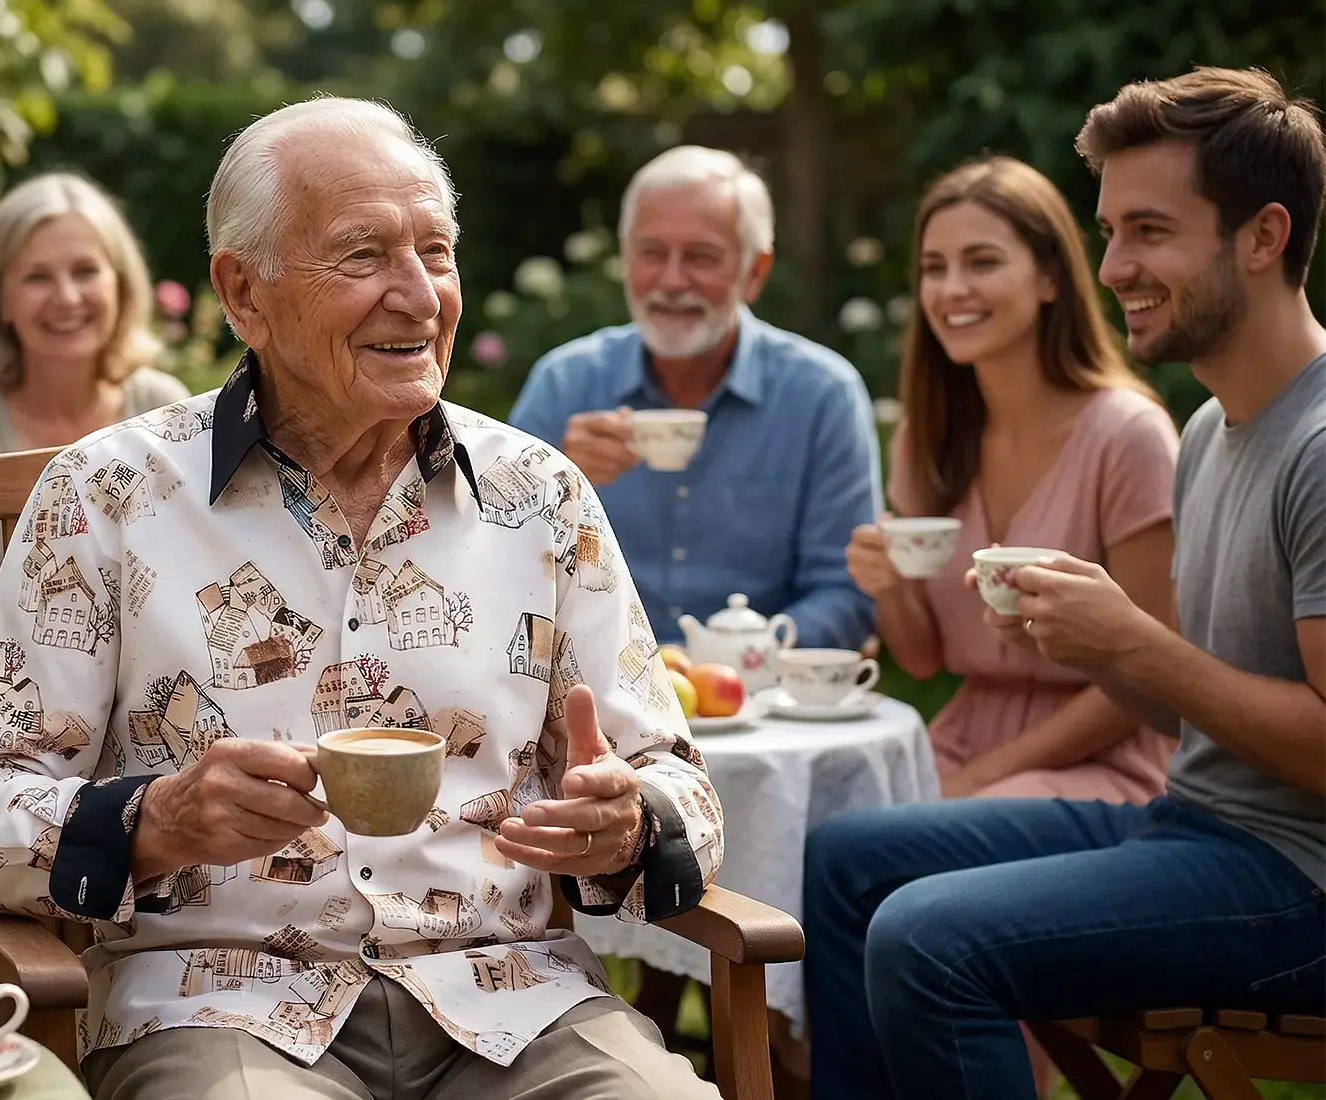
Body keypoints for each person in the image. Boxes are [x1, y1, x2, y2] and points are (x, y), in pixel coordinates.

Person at [0, 97, 724, 1100]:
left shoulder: (540, 495)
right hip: (218, 1005)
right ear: (243, 293)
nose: (420, 296)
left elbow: (675, 776)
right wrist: (157, 818)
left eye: (434, 250)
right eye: (363, 255)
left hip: (508, 1000)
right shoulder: (105, 496)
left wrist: (633, 823)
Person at [804, 67, 1326, 1098]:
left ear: (1261, 238)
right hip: (1196, 819)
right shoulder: (1207, 431)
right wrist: (1092, 638)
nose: (1116, 266)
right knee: (842, 855)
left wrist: (1131, 640)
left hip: (1291, 877)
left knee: (925, 935)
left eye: (1148, 231)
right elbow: (1181, 701)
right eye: (1107, 233)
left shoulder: (1315, 445)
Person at [845, 155, 1179, 803]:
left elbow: (1151, 669)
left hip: (1109, 756)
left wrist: (978, 783)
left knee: (877, 847)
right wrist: (888, 587)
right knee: (811, 832)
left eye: (982, 262)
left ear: (1050, 278)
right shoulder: (928, 436)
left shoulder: (1129, 436)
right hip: (965, 737)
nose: (951, 290)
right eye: (934, 269)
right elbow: (921, 659)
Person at [507, 146, 880, 652]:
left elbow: (844, 591)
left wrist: (732, 661)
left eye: (701, 257)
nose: (672, 280)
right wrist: (557, 487)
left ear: (755, 272)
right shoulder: (565, 383)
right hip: (592, 700)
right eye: (652, 253)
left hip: (763, 703)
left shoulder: (821, 395)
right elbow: (497, 565)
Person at [0, 171, 189, 586]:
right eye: (37, 277)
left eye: (85, 271)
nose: (66, 298)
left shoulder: (163, 407)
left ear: (121, 284)